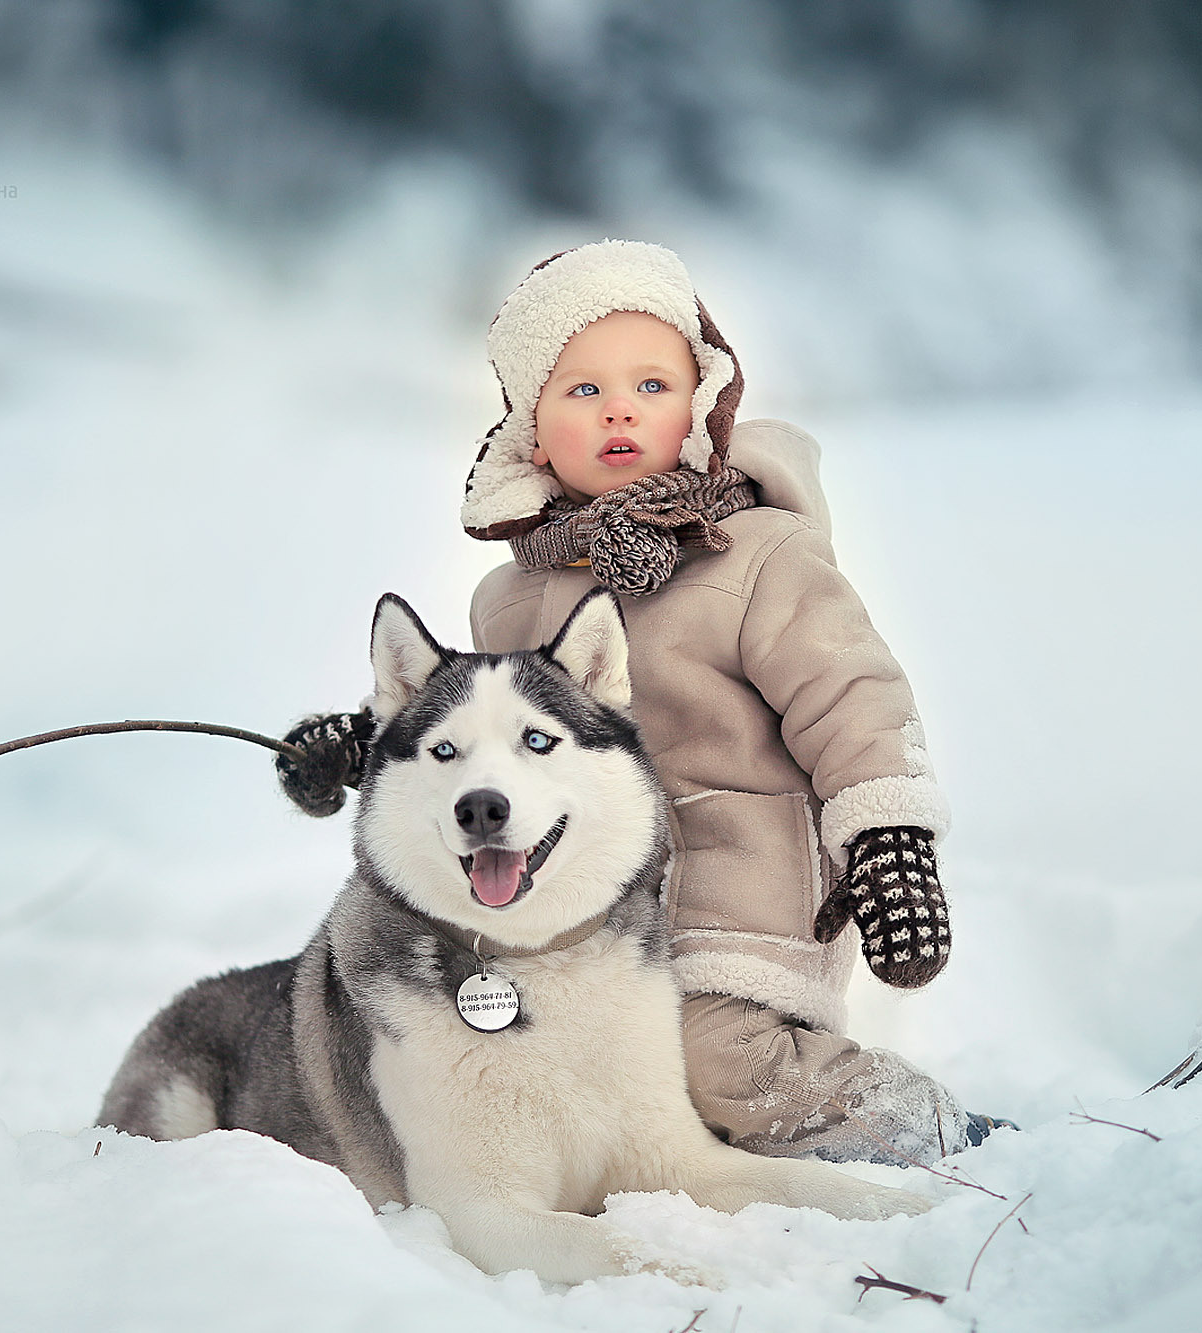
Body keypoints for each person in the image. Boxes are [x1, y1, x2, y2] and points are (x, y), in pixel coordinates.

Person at [281, 239, 992, 1165]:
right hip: (583, 901)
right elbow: (476, 719)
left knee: (710, 1057)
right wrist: (370, 742)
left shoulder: (763, 556)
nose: (620, 408)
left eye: (652, 385)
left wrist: (889, 837)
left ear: (700, 409)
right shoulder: (511, 597)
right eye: (583, 390)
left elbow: (853, 697)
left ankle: (926, 1131)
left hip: (735, 889)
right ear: (532, 434)